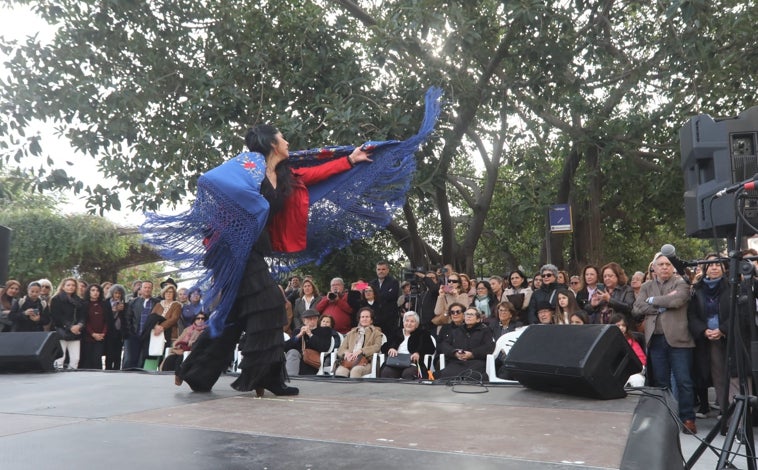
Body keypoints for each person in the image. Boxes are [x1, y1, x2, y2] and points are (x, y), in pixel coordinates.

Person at [142, 88, 442, 394]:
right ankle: (263, 377)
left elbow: (317, 172)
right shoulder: (246, 167)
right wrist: (251, 204)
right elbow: (213, 181)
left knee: (235, 315)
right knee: (272, 306)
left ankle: (195, 372)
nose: (287, 141)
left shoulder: (285, 173)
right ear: (271, 143)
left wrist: (350, 160)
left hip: (254, 250)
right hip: (232, 251)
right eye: (283, 137)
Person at [633, 252, 696, 434]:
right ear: (654, 267)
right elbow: (637, 307)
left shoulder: (680, 283)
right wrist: (662, 305)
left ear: (673, 267)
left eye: (668, 264)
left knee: (684, 381)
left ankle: (688, 418)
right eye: (660, 264)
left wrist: (652, 301)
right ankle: (665, 418)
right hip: (656, 339)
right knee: (661, 383)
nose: (665, 267)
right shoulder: (646, 285)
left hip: (679, 340)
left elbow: (677, 300)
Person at [687, 254, 732, 418]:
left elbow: (736, 313)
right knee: (711, 373)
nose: (714, 267)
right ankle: (716, 408)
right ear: (705, 269)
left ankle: (728, 409)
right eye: (710, 265)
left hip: (728, 337)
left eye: (717, 264)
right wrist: (704, 330)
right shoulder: (697, 289)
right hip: (706, 338)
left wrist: (723, 329)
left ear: (724, 268)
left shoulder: (732, 286)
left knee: (728, 375)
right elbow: (692, 315)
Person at [436, 307, 495, 380]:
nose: (468, 316)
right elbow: (445, 345)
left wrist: (472, 354)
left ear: (478, 319)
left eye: (471, 314)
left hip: (476, 361)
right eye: (467, 314)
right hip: (458, 361)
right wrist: (454, 352)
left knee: (470, 376)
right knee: (446, 375)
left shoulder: (485, 331)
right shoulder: (457, 330)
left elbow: (489, 347)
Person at [380, 311, 435, 379]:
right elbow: (383, 347)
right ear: (403, 323)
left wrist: (418, 353)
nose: (409, 323)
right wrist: (391, 348)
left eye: (412, 321)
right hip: (395, 362)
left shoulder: (423, 334)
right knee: (387, 372)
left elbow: (431, 348)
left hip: (412, 363)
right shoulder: (397, 333)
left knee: (408, 373)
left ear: (417, 324)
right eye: (407, 321)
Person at [334, 307, 384, 378]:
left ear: (371, 320)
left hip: (366, 362)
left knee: (355, 371)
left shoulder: (376, 333)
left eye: (367, 317)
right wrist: (347, 353)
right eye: (362, 317)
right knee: (340, 372)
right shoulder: (351, 333)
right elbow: (342, 348)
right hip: (349, 361)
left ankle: (354, 389)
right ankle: (342, 389)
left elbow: (377, 347)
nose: (364, 319)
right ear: (359, 319)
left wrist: (361, 351)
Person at [283, 309, 333, 376]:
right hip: (297, 359)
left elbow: (324, 347)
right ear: (304, 321)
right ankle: (291, 378)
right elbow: (285, 347)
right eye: (309, 319)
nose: (312, 321)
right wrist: (299, 336)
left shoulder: (324, 330)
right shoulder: (297, 331)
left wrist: (310, 335)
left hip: (312, 361)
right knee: (292, 352)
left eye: (314, 318)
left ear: (317, 319)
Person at [50, 277, 85, 369]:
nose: (71, 287)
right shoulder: (56, 299)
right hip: (61, 331)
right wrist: (70, 327)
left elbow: (83, 316)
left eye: (73, 285)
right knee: (60, 358)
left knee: (75, 359)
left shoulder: (79, 300)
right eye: (68, 285)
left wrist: (79, 326)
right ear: (63, 287)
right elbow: (56, 317)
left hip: (76, 332)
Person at [124, 280, 159, 369]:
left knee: (143, 360)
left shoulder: (157, 303)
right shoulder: (133, 302)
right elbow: (128, 318)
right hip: (134, 335)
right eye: (145, 287)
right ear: (141, 289)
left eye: (149, 288)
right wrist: (130, 333)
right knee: (130, 360)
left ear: (152, 289)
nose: (147, 289)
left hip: (149, 336)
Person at [161, 313, 208, 377]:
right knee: (170, 359)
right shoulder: (187, 329)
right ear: (194, 320)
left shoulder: (206, 331)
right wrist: (176, 347)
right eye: (198, 318)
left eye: (203, 318)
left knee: (180, 360)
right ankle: (164, 376)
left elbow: (201, 345)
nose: (200, 320)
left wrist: (191, 344)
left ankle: (178, 377)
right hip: (181, 350)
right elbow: (177, 341)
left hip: (192, 352)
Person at [610, 313, 646, 387]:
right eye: (618, 325)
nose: (621, 328)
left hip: (632, 371)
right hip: (614, 372)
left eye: (623, 325)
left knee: (637, 380)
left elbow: (642, 359)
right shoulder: (608, 341)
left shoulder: (632, 341)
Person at [80, 284, 111, 369]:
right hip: (87, 337)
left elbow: (107, 321)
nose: (95, 293)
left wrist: (103, 334)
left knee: (97, 359)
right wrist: (93, 334)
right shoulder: (84, 304)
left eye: (97, 291)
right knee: (87, 360)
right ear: (88, 292)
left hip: (101, 337)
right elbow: (84, 321)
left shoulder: (104, 304)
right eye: (93, 290)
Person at [369, 260, 400, 337]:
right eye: (379, 269)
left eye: (383, 269)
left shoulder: (394, 282)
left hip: (390, 319)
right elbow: (368, 297)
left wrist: (375, 295)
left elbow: (392, 296)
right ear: (376, 270)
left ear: (387, 270)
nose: (381, 271)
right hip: (375, 318)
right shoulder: (372, 283)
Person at [104, 284, 128, 371]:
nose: (117, 295)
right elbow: (105, 318)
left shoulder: (124, 304)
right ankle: (108, 369)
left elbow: (125, 319)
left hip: (119, 332)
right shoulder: (106, 303)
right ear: (112, 293)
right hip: (109, 331)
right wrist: (113, 311)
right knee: (109, 353)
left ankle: (117, 370)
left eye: (119, 293)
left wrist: (122, 310)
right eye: (116, 293)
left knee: (118, 354)